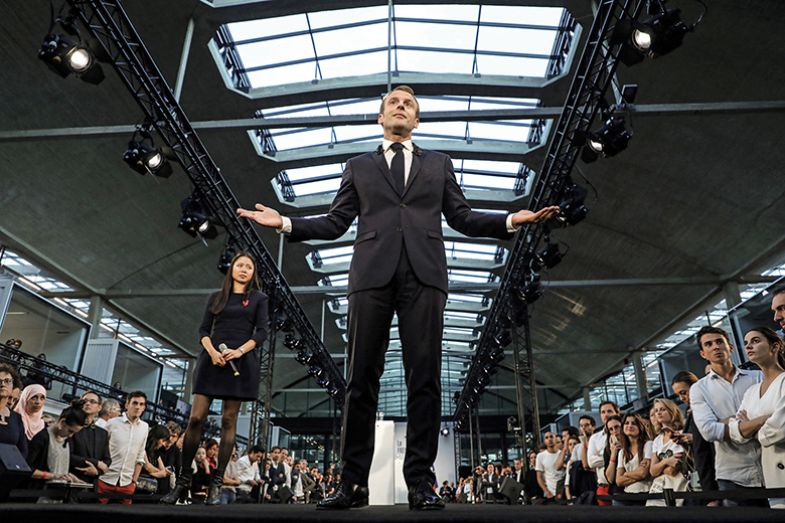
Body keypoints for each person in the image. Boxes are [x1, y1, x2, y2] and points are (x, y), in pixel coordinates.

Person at [237, 85, 559, 511]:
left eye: (409, 104)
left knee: (424, 378)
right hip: (370, 275)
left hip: (425, 274)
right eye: (394, 103)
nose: (401, 107)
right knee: (359, 381)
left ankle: (421, 485)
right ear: (380, 117)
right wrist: (286, 223)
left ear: (417, 120)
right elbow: (336, 222)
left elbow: (461, 216)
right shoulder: (358, 165)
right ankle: (353, 484)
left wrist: (511, 219)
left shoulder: (439, 164)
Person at [161, 252, 269, 506]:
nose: (244, 270)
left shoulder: (258, 298)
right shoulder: (216, 298)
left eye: (249, 267)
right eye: (240, 265)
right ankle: (184, 480)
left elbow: (263, 331)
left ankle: (217, 483)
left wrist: (239, 350)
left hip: (240, 361)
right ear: (232, 269)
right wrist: (212, 352)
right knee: (196, 418)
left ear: (253, 273)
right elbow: (203, 330)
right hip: (212, 359)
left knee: (228, 419)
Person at [689, 326, 764, 506]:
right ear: (703, 354)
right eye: (709, 344)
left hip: (771, 466)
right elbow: (708, 431)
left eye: (719, 342)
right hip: (733, 476)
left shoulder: (757, 377)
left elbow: (774, 414)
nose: (715, 347)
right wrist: (753, 422)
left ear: (729, 347)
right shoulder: (699, 389)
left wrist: (725, 423)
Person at [729, 327, 785, 509]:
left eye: (755, 341)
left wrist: (750, 427)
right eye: (746, 343)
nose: (749, 346)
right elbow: (735, 432)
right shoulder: (751, 392)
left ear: (775, 347)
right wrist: (763, 420)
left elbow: (779, 430)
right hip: (770, 474)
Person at [671, 370, 719, 506]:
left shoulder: (710, 409)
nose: (682, 398)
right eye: (678, 395)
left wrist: (694, 438)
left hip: (717, 473)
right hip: (703, 478)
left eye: (683, 392)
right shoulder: (692, 414)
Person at [26, 399, 90, 502]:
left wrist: (74, 479)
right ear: (62, 422)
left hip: (58, 497)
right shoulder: (42, 438)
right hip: (39, 496)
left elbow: (61, 470)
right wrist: (54, 476)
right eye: (70, 431)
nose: (71, 435)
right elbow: (27, 469)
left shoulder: (67, 440)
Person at [97, 391, 149, 504]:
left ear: (144, 407)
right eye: (134, 403)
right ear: (126, 405)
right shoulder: (111, 423)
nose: (137, 407)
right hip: (105, 479)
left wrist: (134, 481)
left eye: (141, 404)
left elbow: (140, 455)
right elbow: (99, 450)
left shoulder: (145, 427)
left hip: (127, 484)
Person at [647, 398, 688, 506]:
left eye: (662, 409)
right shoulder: (657, 440)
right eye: (656, 411)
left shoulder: (682, 433)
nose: (659, 413)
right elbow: (652, 471)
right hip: (658, 489)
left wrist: (659, 466)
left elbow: (673, 470)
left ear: (671, 411)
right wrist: (665, 462)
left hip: (677, 488)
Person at [69, 390, 111, 487]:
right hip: (72, 480)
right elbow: (68, 455)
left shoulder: (103, 433)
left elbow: (107, 460)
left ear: (99, 407)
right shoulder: (71, 427)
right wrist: (96, 462)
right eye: (84, 401)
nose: (87, 404)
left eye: (92, 402)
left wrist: (96, 471)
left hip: (93, 484)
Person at [609, 414, 652, 506]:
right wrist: (638, 474)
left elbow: (643, 473)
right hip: (628, 496)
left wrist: (626, 474)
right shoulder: (622, 452)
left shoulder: (648, 445)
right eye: (626, 423)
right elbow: (619, 481)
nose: (629, 426)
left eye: (634, 423)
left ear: (640, 427)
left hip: (647, 494)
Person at [584, 401, 620, 505]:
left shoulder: (625, 432)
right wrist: (611, 455)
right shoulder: (595, 438)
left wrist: (600, 456)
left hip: (623, 486)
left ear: (617, 412)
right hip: (603, 487)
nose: (606, 414)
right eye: (603, 412)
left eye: (609, 411)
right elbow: (591, 462)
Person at [535, 432, 565, 504]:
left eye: (551, 437)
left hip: (564, 491)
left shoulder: (563, 454)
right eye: (546, 437)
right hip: (550, 494)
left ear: (555, 439)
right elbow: (539, 477)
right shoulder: (540, 456)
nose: (549, 439)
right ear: (544, 441)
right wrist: (546, 491)